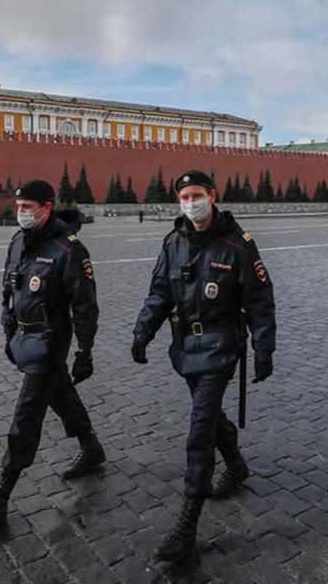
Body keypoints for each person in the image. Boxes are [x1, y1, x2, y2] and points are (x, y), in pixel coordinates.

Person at [131, 169, 276, 560]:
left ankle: (187, 524)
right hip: (186, 347)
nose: (190, 202)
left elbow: (260, 301)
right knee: (209, 417)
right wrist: (142, 332)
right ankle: (236, 464)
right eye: (183, 197)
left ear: (213, 195)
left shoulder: (239, 245)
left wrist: (265, 349)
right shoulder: (174, 241)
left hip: (221, 346)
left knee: (199, 431)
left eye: (196, 194)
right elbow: (160, 292)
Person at [0, 180, 105, 528]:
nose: (22, 213)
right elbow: (8, 288)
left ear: (47, 208)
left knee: (27, 412)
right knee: (58, 393)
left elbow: (85, 306)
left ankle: (2, 494)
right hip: (25, 337)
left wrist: (85, 350)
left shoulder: (68, 249)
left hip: (50, 340)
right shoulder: (18, 242)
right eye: (18, 207)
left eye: (28, 207)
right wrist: (7, 328)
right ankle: (91, 448)